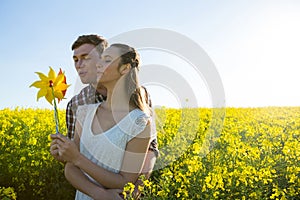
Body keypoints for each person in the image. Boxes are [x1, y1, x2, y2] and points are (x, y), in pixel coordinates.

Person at [51, 43, 155, 199]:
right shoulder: (84, 112)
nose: (98, 64)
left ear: (125, 69)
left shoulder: (139, 122)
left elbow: (126, 182)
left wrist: (76, 158)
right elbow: (70, 168)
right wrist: (100, 194)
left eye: (107, 60)